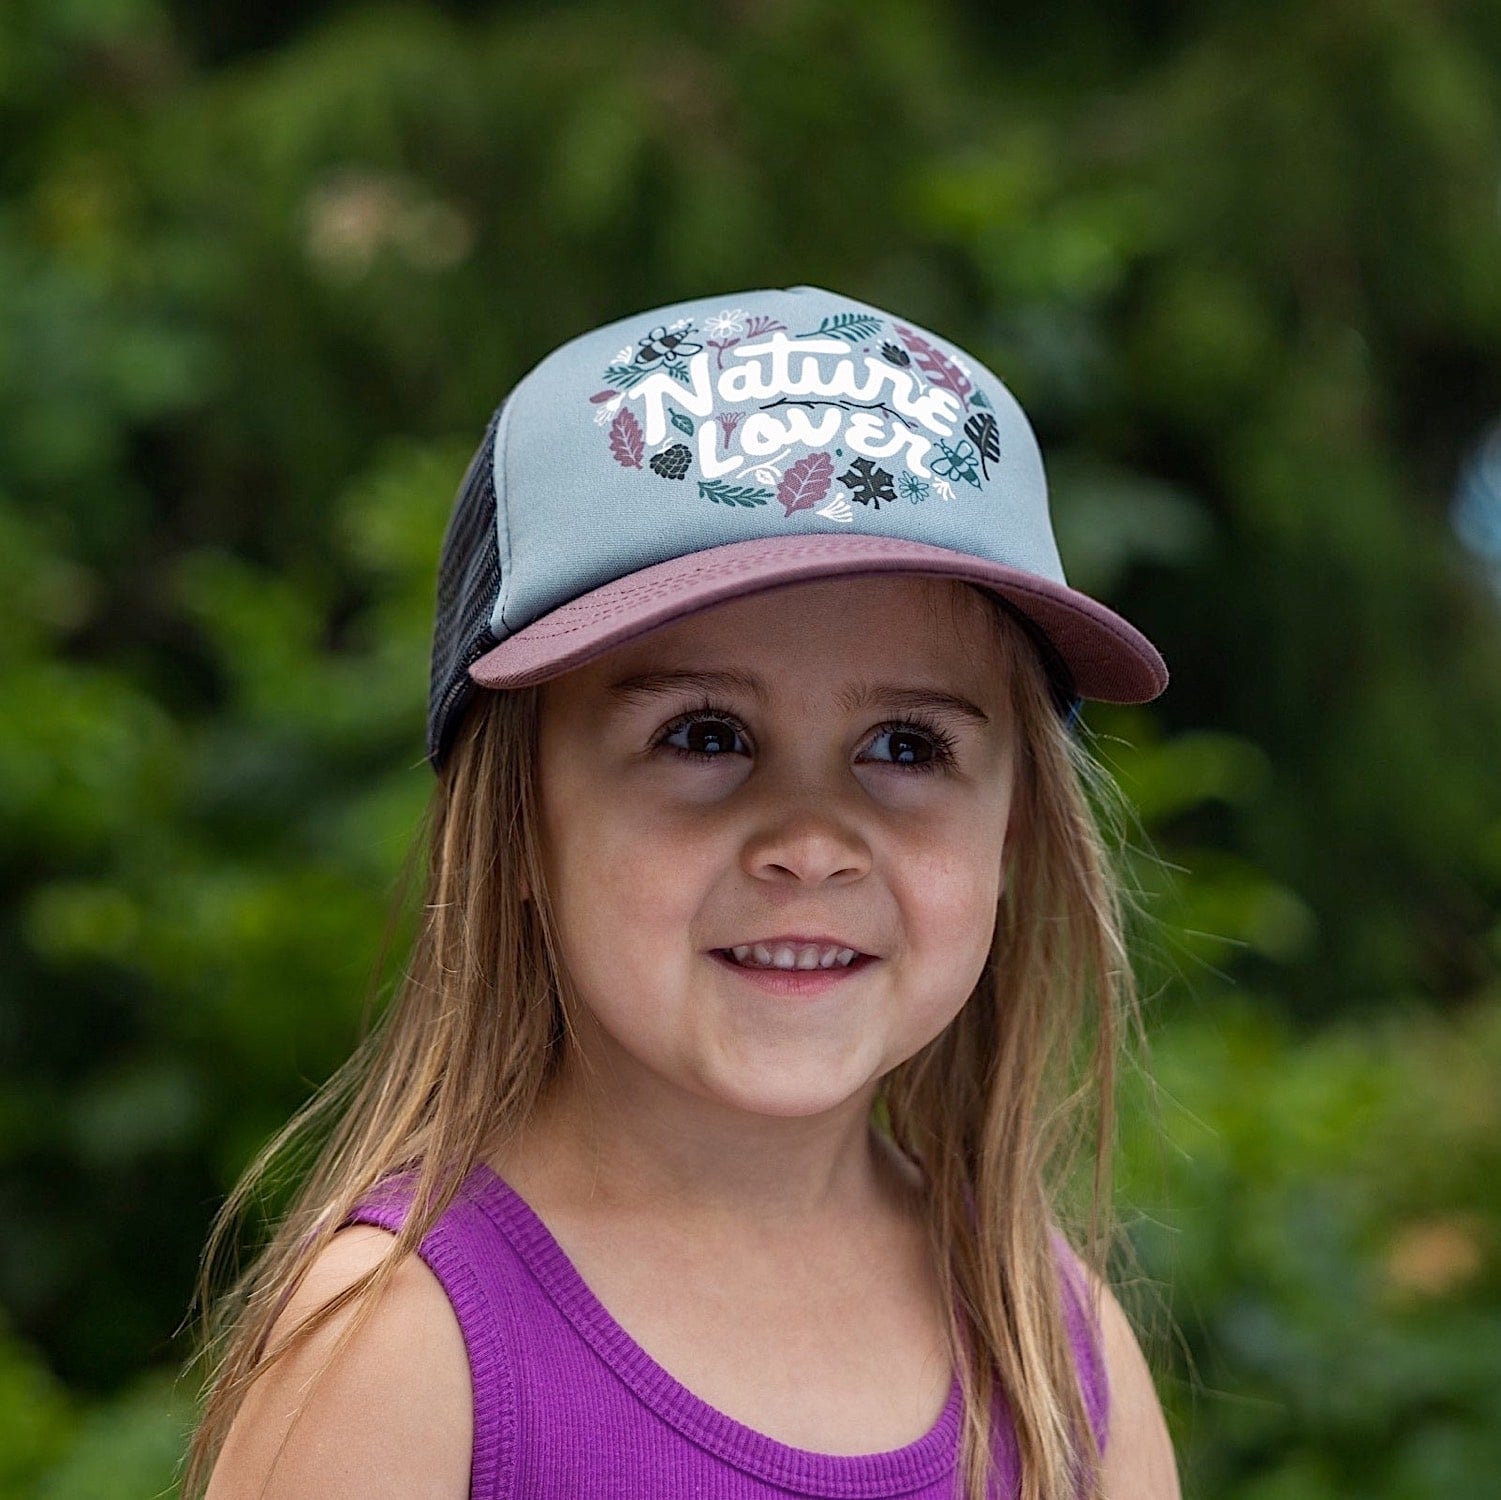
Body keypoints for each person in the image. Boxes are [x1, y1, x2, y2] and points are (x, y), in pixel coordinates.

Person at [183, 286, 1181, 1500]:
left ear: (1014, 828)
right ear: (515, 827)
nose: (812, 845)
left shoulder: (1057, 1351)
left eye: (907, 748)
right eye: (704, 735)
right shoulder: (398, 1349)